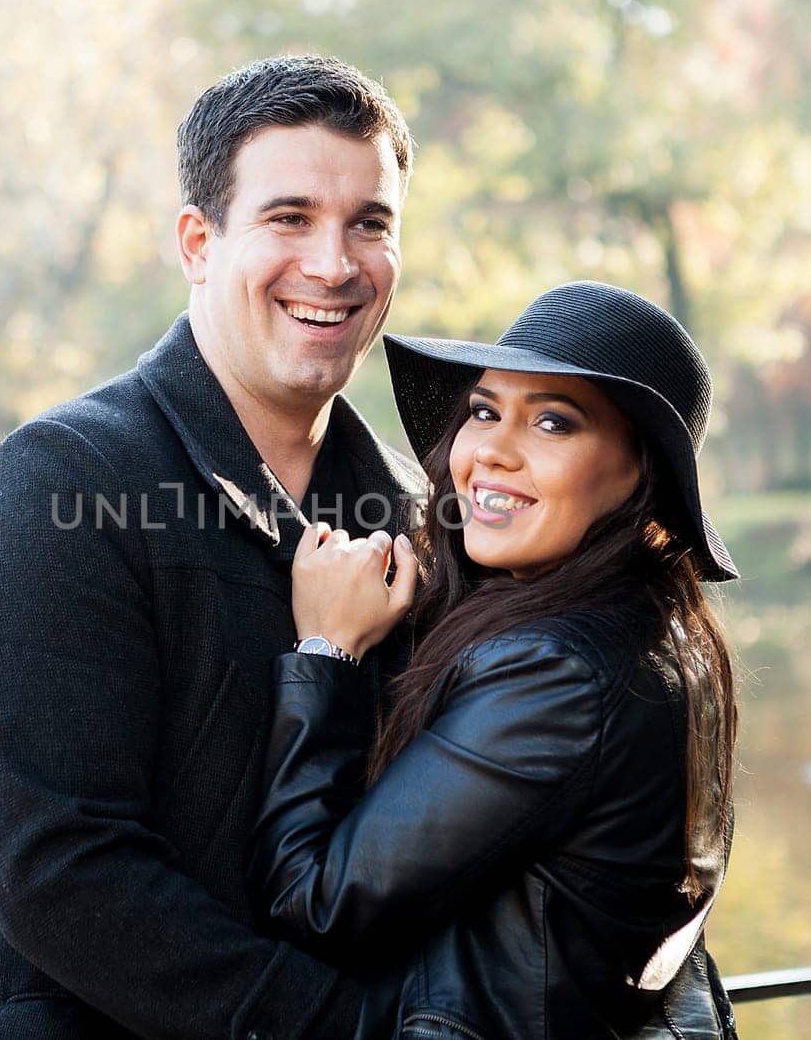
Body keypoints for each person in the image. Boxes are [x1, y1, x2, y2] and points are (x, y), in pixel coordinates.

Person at [0, 56, 425, 1039]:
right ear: (199, 242)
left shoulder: (413, 517)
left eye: (368, 222)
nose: (333, 263)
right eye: (288, 218)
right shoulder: (61, 484)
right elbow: (65, 871)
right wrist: (357, 1029)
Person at [249, 281, 742, 1038]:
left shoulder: (557, 671)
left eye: (553, 421)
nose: (490, 453)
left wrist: (326, 648)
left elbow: (317, 901)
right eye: (484, 410)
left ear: (639, 475)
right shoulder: (662, 630)